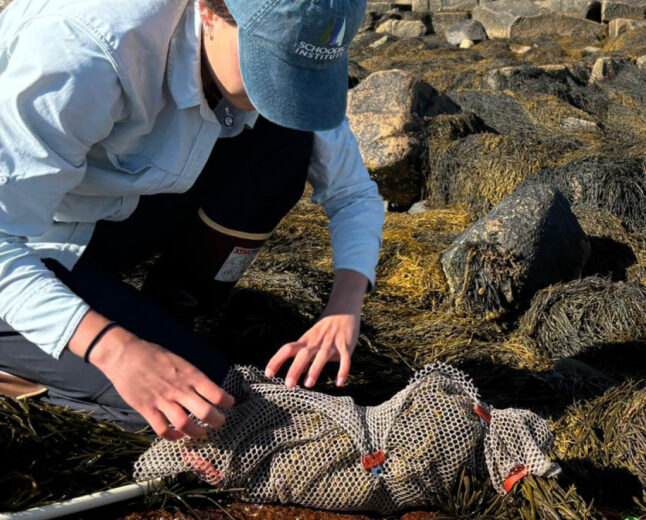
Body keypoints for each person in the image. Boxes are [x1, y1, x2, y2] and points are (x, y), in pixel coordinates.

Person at [0, 0, 385, 441]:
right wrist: (117, 349)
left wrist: (344, 307)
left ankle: (172, 311)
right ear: (207, 9)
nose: (284, 89)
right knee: (204, 412)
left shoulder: (302, 39)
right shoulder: (82, 50)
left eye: (302, 73)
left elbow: (353, 193)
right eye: (271, 65)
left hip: (104, 214)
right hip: (25, 246)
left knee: (287, 142)